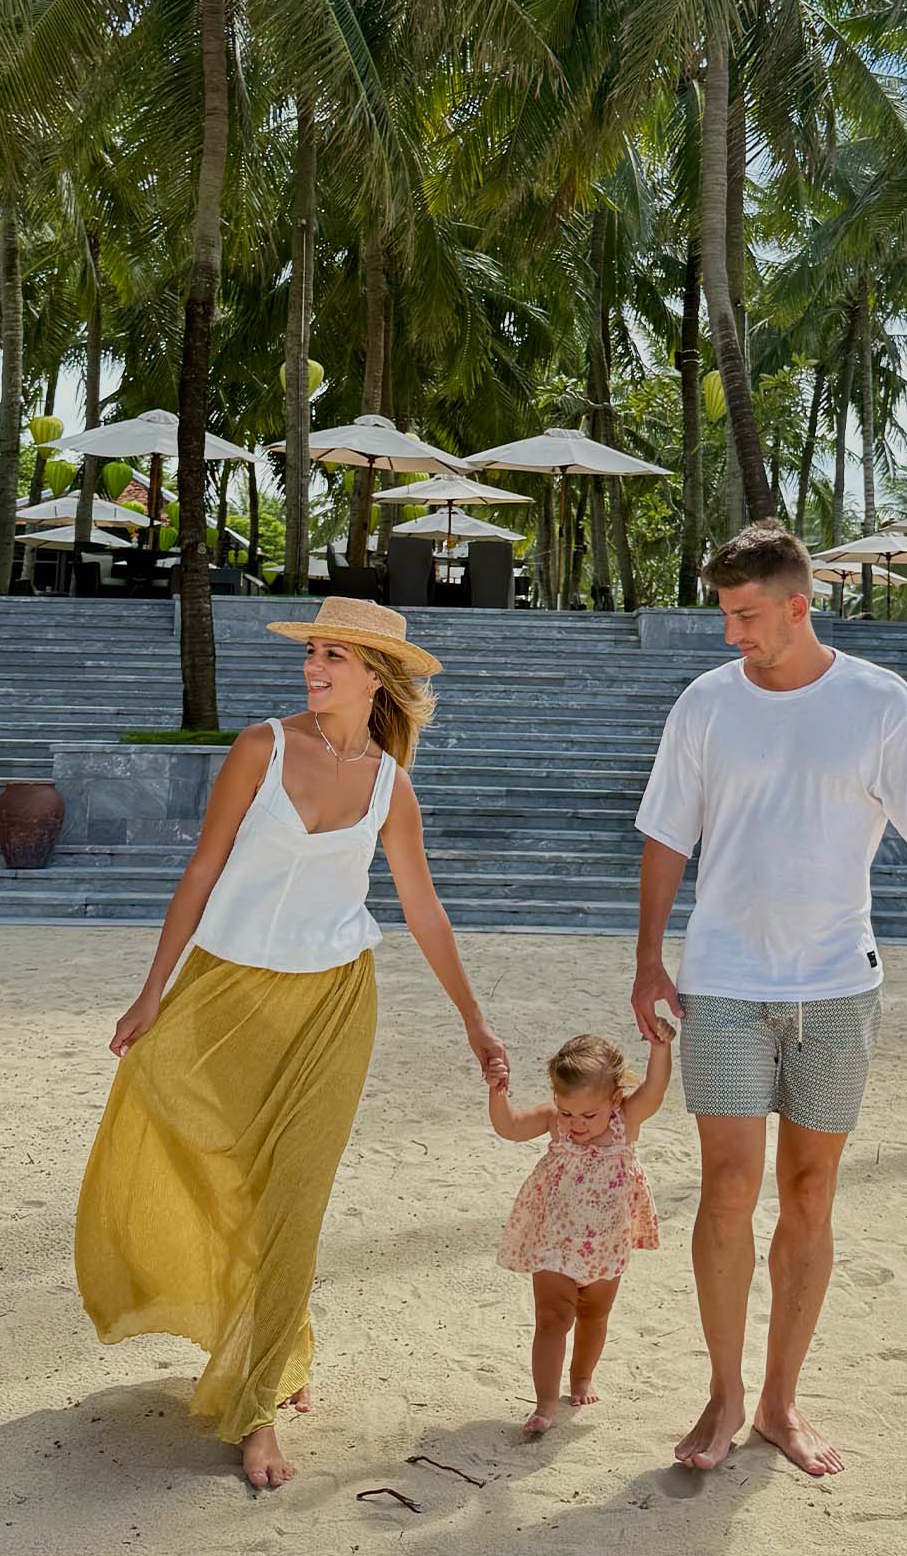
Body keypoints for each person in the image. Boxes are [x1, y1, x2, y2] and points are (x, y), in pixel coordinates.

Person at [74, 597, 508, 1492]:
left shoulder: (390, 784)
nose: (313, 666)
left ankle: (258, 1402)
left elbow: (423, 907)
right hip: (226, 991)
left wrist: (474, 1019)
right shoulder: (261, 747)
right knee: (227, 1175)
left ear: (376, 676)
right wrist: (152, 988)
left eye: (334, 654)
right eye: (313, 650)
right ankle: (278, 1338)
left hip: (334, 1003)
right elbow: (202, 867)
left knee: (297, 1196)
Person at [630, 520, 907, 1478]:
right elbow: (666, 834)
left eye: (745, 615)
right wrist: (649, 957)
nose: (731, 632)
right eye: (724, 614)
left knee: (809, 1191)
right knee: (726, 1187)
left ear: (798, 605)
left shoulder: (880, 702)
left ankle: (780, 1399)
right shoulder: (705, 704)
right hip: (723, 979)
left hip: (836, 984)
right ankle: (723, 1390)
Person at [490, 1029, 670, 1435]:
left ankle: (582, 1377)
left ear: (614, 1099)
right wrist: (497, 1092)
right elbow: (510, 1127)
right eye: (567, 1112)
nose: (576, 1124)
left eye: (588, 1116)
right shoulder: (554, 1120)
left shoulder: (626, 1120)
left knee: (594, 1314)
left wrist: (660, 1049)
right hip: (554, 1240)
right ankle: (545, 1403)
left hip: (605, 1243)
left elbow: (655, 1090)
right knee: (552, 1317)